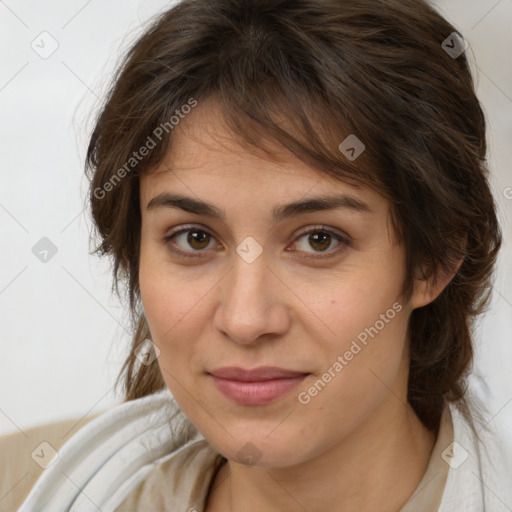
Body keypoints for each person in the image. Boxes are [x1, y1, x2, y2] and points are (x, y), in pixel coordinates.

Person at [12, 0, 510, 510]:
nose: (246, 320)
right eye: (194, 238)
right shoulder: (22, 481)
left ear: (436, 259)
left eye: (319, 239)